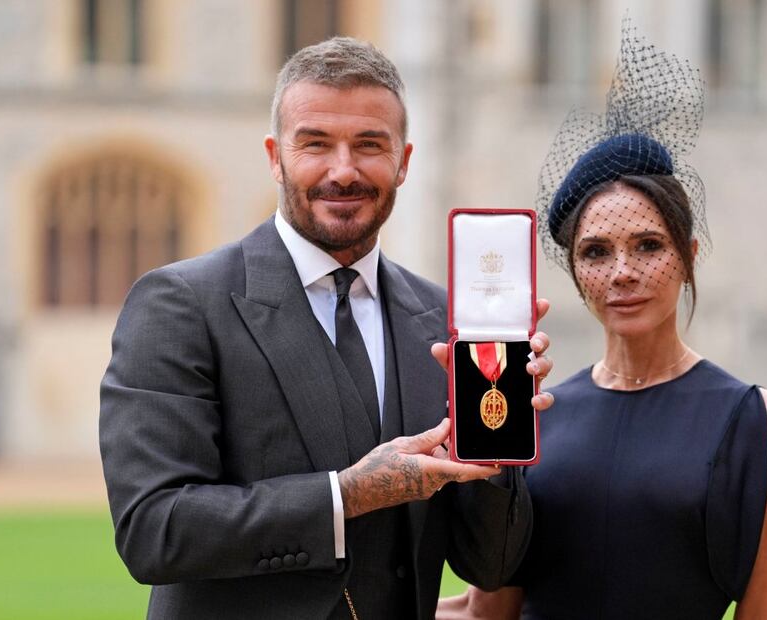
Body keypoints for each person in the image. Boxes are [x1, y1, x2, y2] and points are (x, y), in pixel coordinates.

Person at [99, 37, 553, 619]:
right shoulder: (181, 304)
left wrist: (501, 438)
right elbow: (154, 530)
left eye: (369, 145)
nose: (344, 170)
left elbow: (491, 565)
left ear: (404, 161)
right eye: (316, 144)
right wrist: (348, 496)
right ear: (275, 156)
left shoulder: (445, 324)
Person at [437, 26, 767, 620]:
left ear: (689, 255)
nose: (623, 272)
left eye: (648, 245)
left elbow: (762, 612)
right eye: (596, 252)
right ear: (576, 273)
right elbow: (488, 612)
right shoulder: (533, 415)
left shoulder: (763, 425)